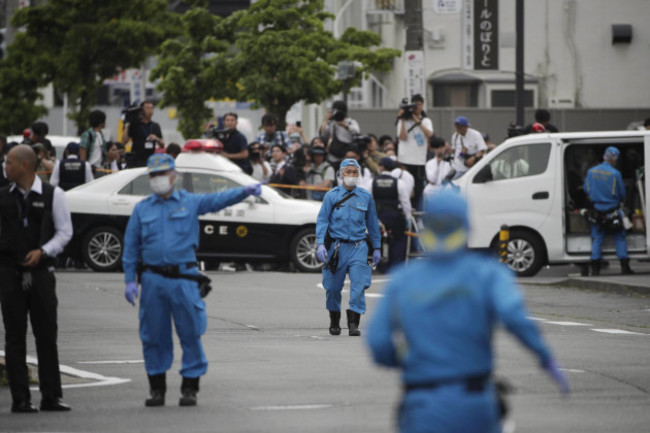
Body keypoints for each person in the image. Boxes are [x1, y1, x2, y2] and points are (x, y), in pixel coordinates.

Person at [366, 189, 569, 433]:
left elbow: (378, 342)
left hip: (421, 402)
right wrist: (544, 356)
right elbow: (515, 317)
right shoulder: (489, 274)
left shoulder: (402, 280)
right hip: (475, 400)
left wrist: (405, 359)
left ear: (425, 225)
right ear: (466, 225)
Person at [122, 153, 261, 408]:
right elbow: (131, 246)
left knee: (190, 332)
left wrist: (245, 191)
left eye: (162, 174)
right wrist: (130, 279)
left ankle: (190, 387)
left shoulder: (190, 202)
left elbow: (219, 199)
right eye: (153, 175)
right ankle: (157, 389)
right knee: (153, 335)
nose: (157, 179)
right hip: (152, 279)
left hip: (184, 278)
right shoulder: (142, 209)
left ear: (173, 176)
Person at [0, 144, 74, 413]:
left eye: (9, 163)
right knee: (14, 335)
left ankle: (51, 395)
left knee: (46, 335)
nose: (4, 167)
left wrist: (44, 251)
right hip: (9, 272)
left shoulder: (54, 195)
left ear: (25, 166)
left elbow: (65, 232)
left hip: (42, 272)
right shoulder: (3, 196)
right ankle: (20, 398)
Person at [315, 158, 381, 337]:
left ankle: (353, 323)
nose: (351, 175)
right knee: (333, 288)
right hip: (337, 248)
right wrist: (321, 243)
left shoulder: (366, 197)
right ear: (341, 174)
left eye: (355, 172)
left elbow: (372, 224)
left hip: (359, 246)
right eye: (348, 172)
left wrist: (376, 247)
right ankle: (334, 320)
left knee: (358, 286)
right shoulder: (332, 196)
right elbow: (322, 220)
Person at [583, 146, 634, 276]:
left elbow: (586, 189)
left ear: (604, 156)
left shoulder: (591, 172)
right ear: (615, 159)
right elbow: (622, 193)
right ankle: (624, 267)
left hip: (597, 211)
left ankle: (595, 269)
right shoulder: (616, 174)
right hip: (613, 211)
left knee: (597, 239)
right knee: (620, 238)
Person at [368, 157, 411, 272]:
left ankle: (378, 264)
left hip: (377, 217)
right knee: (399, 238)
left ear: (381, 167)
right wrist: (408, 218)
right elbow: (405, 203)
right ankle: (396, 265)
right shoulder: (399, 183)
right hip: (394, 217)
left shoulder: (372, 182)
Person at [396, 94, 434, 208]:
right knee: (404, 188)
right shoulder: (403, 120)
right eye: (414, 105)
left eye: (419, 104)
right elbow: (402, 137)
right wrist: (402, 119)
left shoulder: (426, 120)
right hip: (404, 159)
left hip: (419, 160)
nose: (417, 107)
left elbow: (430, 134)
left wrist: (417, 120)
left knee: (418, 189)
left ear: (422, 105)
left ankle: (417, 210)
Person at [319, 100, 361, 171]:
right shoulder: (332, 123)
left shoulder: (351, 122)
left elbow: (357, 132)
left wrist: (345, 126)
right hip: (333, 156)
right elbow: (323, 133)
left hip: (347, 154)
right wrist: (326, 119)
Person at [122, 100, 165, 167]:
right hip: (136, 160)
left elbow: (162, 144)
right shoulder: (135, 124)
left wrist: (156, 138)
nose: (150, 110)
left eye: (152, 108)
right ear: (142, 110)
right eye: (147, 108)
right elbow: (124, 141)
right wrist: (127, 124)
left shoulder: (155, 126)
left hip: (151, 160)